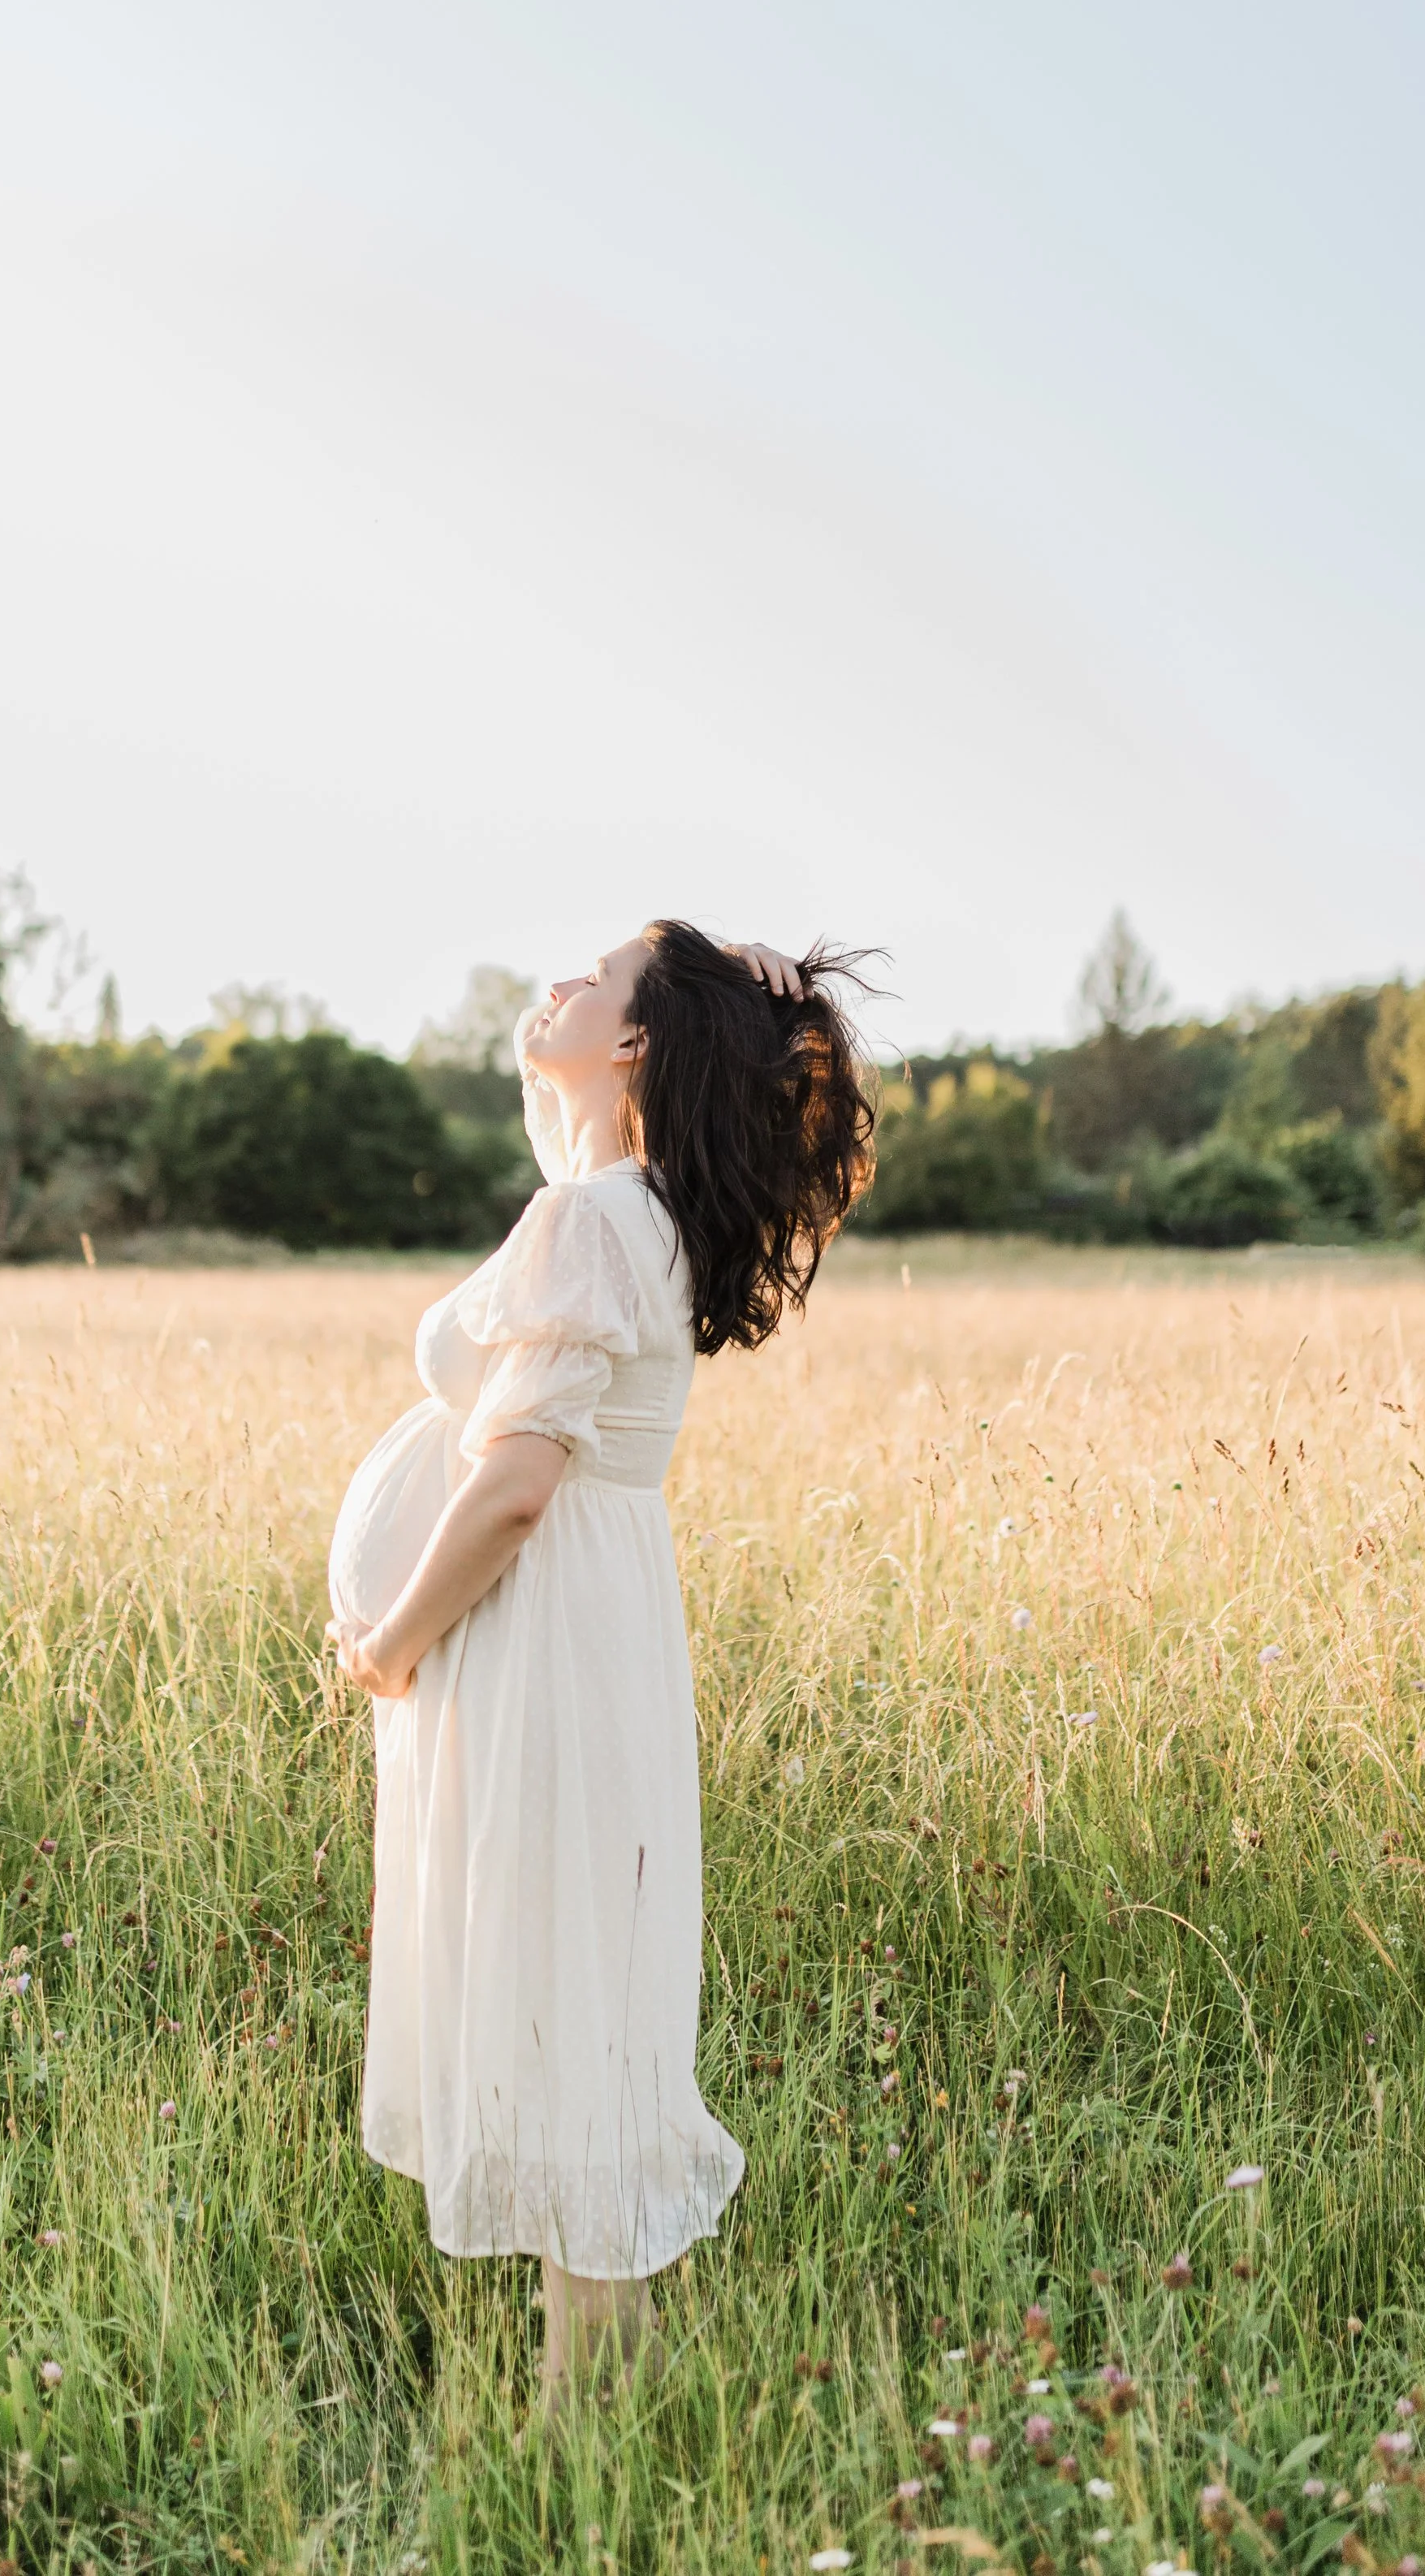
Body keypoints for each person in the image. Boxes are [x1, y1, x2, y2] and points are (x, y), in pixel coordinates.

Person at [326, 922, 875, 2405]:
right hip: (598, 1636)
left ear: (637, 1045)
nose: (552, 981)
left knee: (558, 1984)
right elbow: (568, 1110)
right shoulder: (621, 1208)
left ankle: (587, 2426)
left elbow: (513, 1484)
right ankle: (598, 2393)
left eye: (595, 974)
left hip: (539, 1639)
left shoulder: (591, 1225)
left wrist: (392, 1638)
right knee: (587, 1987)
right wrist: (726, 976)